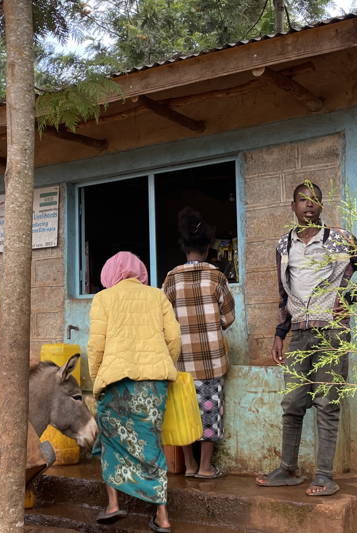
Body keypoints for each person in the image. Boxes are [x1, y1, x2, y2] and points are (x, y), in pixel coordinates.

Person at [255, 181, 357, 496]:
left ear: (321, 206)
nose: (308, 204)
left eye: (314, 200)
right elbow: (283, 292)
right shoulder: (283, 245)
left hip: (332, 331)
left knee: (327, 402)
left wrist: (349, 302)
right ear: (293, 206)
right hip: (298, 332)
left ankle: (324, 475)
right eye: (302, 200)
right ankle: (288, 469)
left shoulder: (340, 239)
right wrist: (279, 333)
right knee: (293, 402)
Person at [88, 251, 181, 533]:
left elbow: (96, 345)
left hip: (115, 382)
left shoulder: (103, 299)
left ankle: (114, 504)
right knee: (151, 444)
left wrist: (97, 378)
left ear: (111, 274)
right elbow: (174, 338)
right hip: (154, 383)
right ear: (139, 272)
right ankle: (162, 517)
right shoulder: (157, 296)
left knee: (109, 440)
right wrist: (166, 364)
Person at [162, 207, 235, 480]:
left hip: (180, 361)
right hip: (210, 360)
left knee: (183, 412)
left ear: (184, 248)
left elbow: (164, 320)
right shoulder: (216, 276)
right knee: (209, 411)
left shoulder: (171, 277)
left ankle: (190, 465)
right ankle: (206, 467)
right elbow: (228, 317)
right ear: (206, 248)